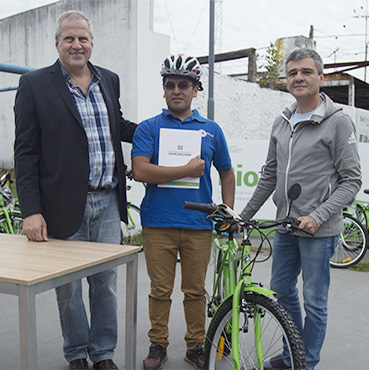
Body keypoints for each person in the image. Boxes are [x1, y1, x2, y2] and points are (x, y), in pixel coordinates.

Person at [13, 10, 138, 370]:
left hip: (108, 202)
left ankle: (103, 353)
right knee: (67, 288)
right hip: (62, 206)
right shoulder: (35, 85)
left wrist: (162, 130)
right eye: (69, 38)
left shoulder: (108, 80)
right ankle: (76, 354)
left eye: (82, 38)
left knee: (105, 284)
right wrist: (30, 210)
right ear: (57, 44)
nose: (76, 44)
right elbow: (25, 153)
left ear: (92, 43)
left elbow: (119, 126)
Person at [240, 48, 362, 370]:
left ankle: (305, 363)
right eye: (293, 72)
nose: (299, 78)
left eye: (306, 72)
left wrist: (317, 216)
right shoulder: (282, 122)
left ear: (321, 78)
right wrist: (244, 217)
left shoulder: (337, 123)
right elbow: (269, 174)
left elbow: (351, 181)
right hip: (285, 227)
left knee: (315, 302)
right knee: (281, 292)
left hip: (318, 232)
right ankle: (291, 351)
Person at [131, 54, 235, 370]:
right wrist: (186, 169)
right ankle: (158, 344)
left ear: (195, 89)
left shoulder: (212, 130)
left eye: (184, 85)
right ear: (164, 89)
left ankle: (195, 346)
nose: (177, 90)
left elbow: (227, 173)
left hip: (199, 222)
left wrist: (227, 212)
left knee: (195, 292)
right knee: (160, 290)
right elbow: (140, 171)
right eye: (171, 84)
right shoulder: (149, 128)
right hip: (158, 222)